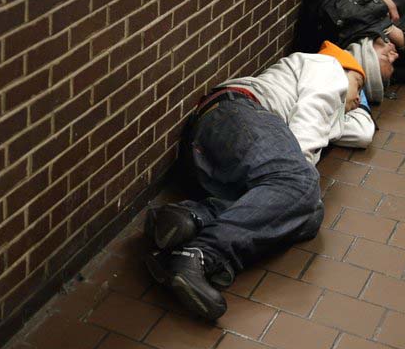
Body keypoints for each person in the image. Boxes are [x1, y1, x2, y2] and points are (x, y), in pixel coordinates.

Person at [143, 40, 380, 320]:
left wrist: (359, 105)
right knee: (301, 187)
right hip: (238, 114)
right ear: (348, 69)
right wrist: (297, 181)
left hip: (216, 142)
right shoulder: (328, 67)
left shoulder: (332, 108)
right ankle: (201, 254)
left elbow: (361, 134)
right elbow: (309, 119)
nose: (358, 98)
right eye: (360, 87)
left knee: (311, 214)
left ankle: (190, 217)